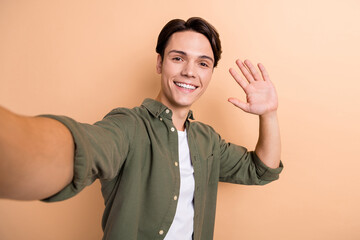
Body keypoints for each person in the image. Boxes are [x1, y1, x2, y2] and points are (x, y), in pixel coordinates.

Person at [0, 17, 283, 239]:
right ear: (159, 63)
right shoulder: (128, 125)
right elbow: (84, 147)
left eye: (203, 63)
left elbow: (261, 170)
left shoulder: (208, 141)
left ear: (210, 73)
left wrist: (268, 114)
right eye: (177, 58)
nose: (189, 71)